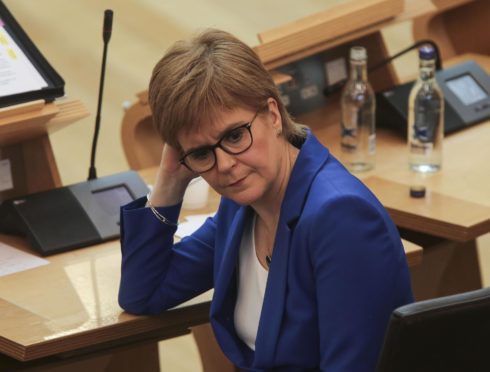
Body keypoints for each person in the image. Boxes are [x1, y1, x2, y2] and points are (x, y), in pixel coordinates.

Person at [118, 28, 413, 371]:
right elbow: (143, 293)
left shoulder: (340, 217)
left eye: (234, 135)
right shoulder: (241, 207)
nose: (226, 165)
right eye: (201, 153)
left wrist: (198, 154)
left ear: (273, 114)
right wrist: (170, 180)